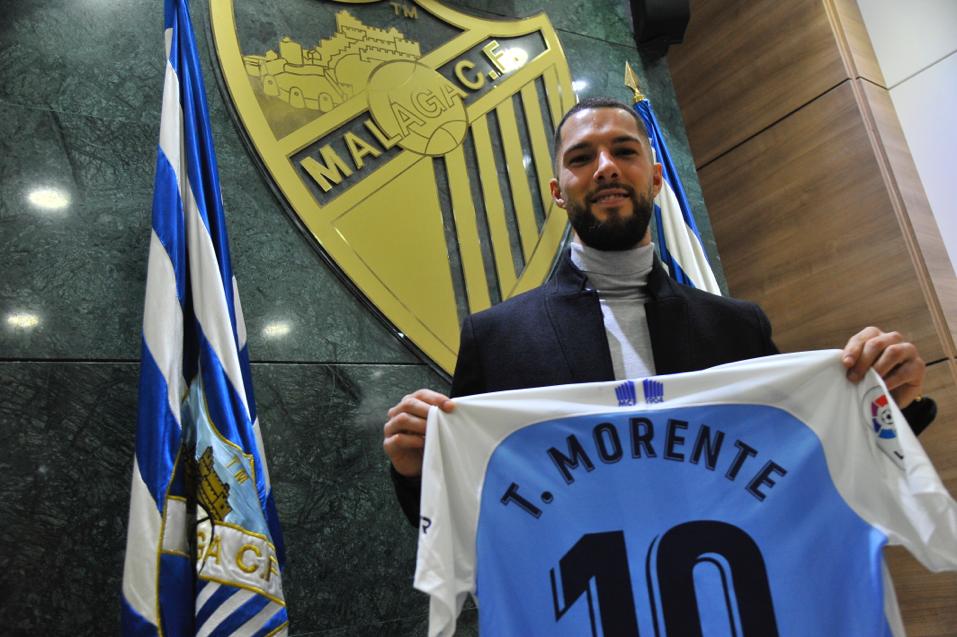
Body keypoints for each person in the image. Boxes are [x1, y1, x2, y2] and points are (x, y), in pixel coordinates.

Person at [383, 97, 935, 527]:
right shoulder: (496, 337)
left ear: (655, 175)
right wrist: (414, 467)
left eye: (624, 151)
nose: (604, 168)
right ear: (558, 190)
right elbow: (459, 513)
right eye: (581, 158)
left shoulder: (738, 327)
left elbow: (808, 466)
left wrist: (885, 402)